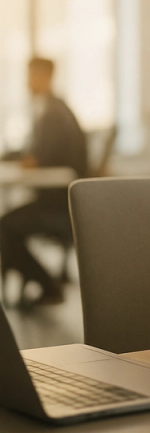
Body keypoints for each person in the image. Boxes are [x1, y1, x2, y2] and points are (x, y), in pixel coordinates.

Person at [0, 58, 88, 306]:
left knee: (5, 227)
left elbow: (42, 160)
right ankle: (43, 282)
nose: (27, 82)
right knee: (7, 224)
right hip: (57, 200)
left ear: (46, 76)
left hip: (59, 205)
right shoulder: (51, 110)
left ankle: (47, 285)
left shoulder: (54, 114)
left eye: (31, 75)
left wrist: (29, 161)